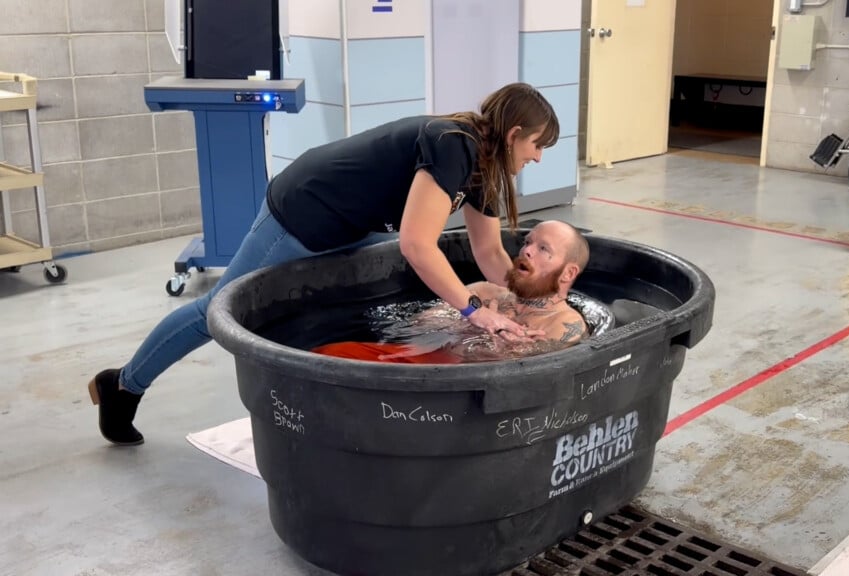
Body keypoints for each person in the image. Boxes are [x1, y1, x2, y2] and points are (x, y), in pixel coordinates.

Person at [87, 82, 560, 447]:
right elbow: (418, 245)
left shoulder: (483, 166)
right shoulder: (454, 143)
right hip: (303, 211)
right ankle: (122, 386)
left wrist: (529, 305)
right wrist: (476, 311)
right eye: (538, 145)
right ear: (514, 133)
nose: (538, 158)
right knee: (217, 311)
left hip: (352, 222)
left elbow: (489, 254)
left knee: (366, 292)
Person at [313, 219, 590, 364]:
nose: (526, 250)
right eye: (528, 242)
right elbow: (418, 326)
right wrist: (471, 324)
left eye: (543, 249)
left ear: (568, 273)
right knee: (328, 355)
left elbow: (535, 380)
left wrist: (506, 350)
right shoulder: (483, 292)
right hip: (427, 364)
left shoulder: (565, 324)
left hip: (471, 398)